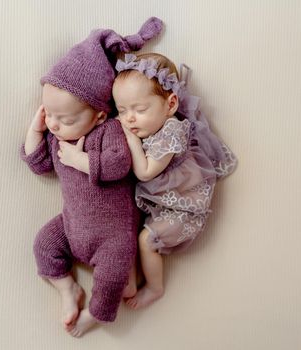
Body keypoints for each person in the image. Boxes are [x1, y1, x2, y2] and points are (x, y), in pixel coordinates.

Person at [20, 18, 163, 337]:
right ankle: (67, 289)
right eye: (50, 113)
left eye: (65, 118)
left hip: (113, 235)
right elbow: (38, 163)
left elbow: (118, 166)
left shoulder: (109, 131)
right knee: (43, 245)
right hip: (71, 227)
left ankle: (96, 314)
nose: (55, 125)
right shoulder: (57, 138)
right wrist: (36, 129)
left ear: (99, 114)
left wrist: (79, 159)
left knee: (112, 280)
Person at [112, 53, 237, 309]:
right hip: (163, 204)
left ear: (170, 105)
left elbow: (145, 172)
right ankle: (128, 279)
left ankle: (155, 287)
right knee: (125, 231)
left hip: (185, 210)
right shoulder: (149, 126)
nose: (129, 119)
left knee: (146, 242)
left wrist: (133, 141)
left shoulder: (172, 131)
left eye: (140, 109)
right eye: (122, 110)